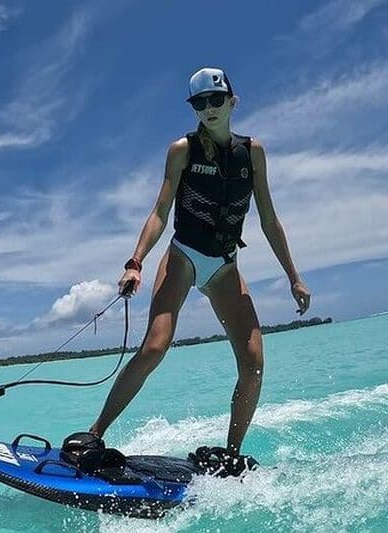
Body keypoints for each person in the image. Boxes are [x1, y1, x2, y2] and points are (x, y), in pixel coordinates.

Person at [90, 67, 311, 465]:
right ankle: (94, 435)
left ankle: (230, 456)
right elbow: (160, 211)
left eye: (215, 100)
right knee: (155, 347)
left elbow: (269, 220)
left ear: (232, 102)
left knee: (254, 363)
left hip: (225, 265)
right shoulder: (182, 150)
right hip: (184, 256)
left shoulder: (253, 153)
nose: (208, 109)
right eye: (199, 103)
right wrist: (135, 262)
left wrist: (294, 277)